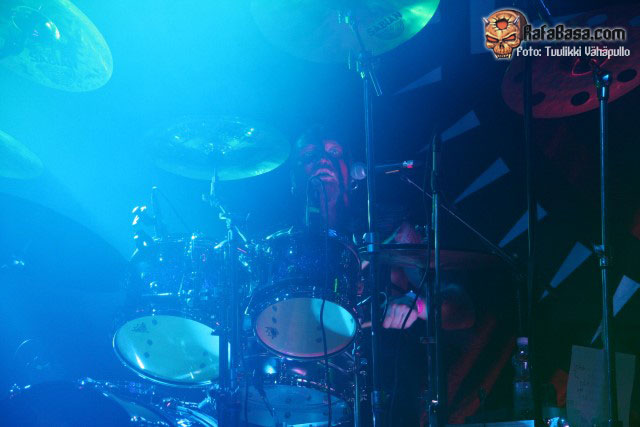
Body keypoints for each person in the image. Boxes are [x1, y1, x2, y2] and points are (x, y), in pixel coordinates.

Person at [290, 126, 475, 331]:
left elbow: (462, 311)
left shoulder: (386, 225)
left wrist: (417, 305)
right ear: (294, 178)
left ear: (352, 173)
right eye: (309, 155)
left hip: (380, 349)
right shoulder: (282, 239)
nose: (323, 160)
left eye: (334, 152)